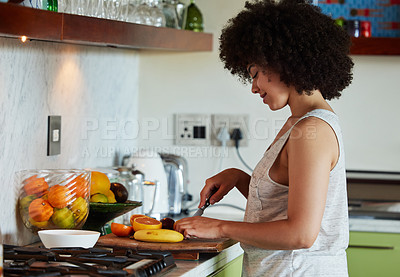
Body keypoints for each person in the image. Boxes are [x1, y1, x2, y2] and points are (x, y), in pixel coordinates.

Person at [174, 0, 354, 276]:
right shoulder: (300, 123)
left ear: (284, 60)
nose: (254, 87)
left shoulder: (310, 131)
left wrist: (220, 226)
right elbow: (282, 207)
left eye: (256, 74)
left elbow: (300, 234)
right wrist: (238, 178)